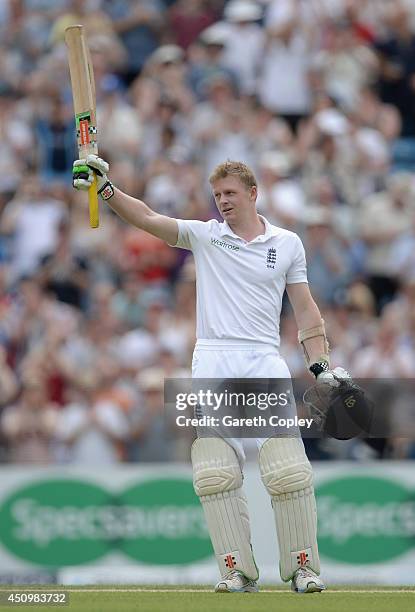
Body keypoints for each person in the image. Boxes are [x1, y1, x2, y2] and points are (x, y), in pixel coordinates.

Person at [72, 154, 350, 594]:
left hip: (262, 358)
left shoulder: (287, 243)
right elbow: (147, 218)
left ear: (253, 193)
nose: (222, 202)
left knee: (287, 471)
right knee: (216, 474)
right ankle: (235, 570)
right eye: (217, 195)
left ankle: (303, 568)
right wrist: (106, 190)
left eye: (230, 194)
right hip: (214, 359)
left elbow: (306, 310)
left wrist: (320, 365)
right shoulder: (205, 236)